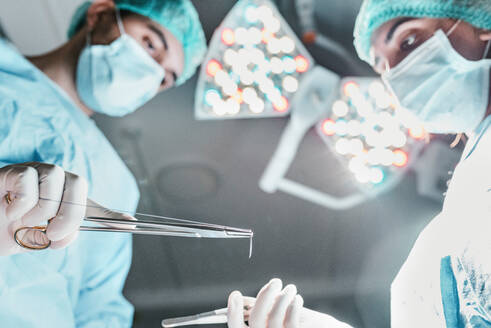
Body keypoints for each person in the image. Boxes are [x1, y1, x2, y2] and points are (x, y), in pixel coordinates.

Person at [226, 0, 491, 327]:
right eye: (382, 68)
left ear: (481, 22)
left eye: (407, 41)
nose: (395, 76)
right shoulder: (464, 200)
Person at [0, 0, 206, 327]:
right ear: (100, 14)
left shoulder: (117, 185)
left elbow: (98, 307)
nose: (151, 74)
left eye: (165, 78)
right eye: (150, 44)